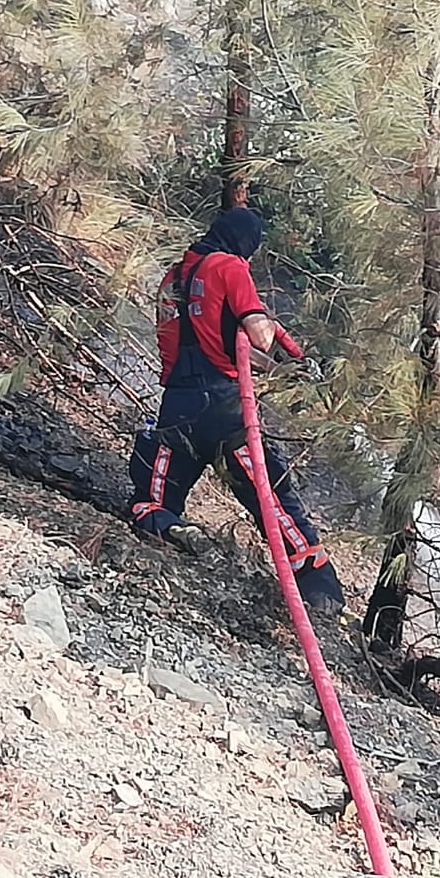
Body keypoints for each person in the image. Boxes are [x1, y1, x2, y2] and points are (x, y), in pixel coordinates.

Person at [126, 206, 346, 615]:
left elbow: (195, 338)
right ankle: (318, 587)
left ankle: (167, 527)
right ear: (245, 243)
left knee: (152, 498)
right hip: (225, 406)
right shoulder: (229, 267)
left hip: (177, 405)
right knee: (270, 495)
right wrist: (288, 358)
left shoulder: (171, 278)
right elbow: (259, 337)